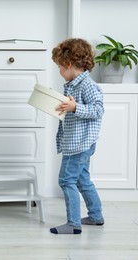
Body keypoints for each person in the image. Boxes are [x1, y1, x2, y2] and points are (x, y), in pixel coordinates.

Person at [49, 38, 105, 235]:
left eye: (59, 66)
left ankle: (73, 223)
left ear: (68, 64)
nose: (58, 71)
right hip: (78, 142)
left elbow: (98, 110)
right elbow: (73, 110)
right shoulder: (73, 85)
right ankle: (96, 216)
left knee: (66, 180)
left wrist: (75, 107)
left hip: (79, 144)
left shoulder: (87, 85)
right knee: (82, 180)